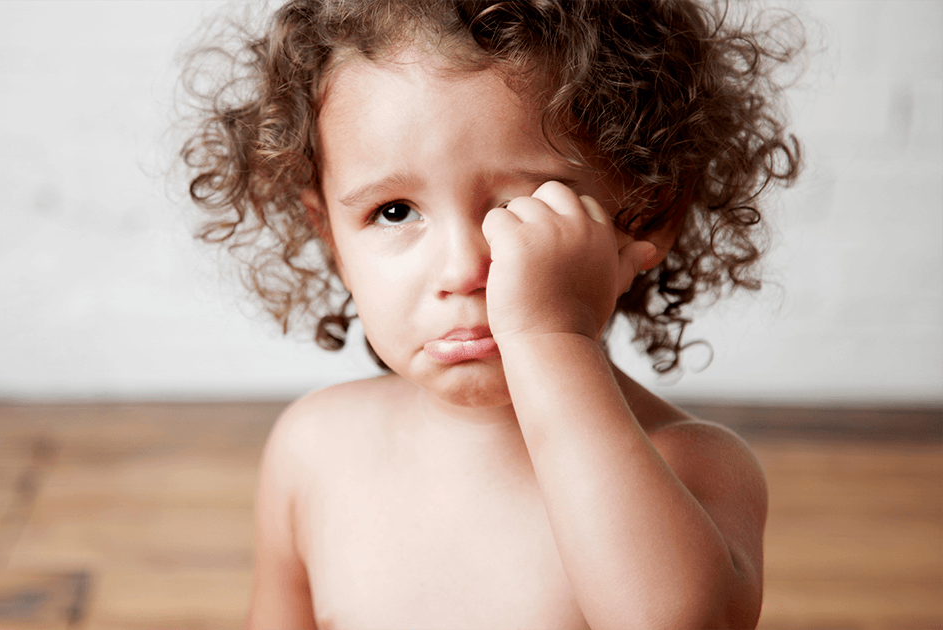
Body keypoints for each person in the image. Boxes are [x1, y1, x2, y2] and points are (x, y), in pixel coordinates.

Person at [178, 1, 802, 627]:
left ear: (647, 212)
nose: (461, 268)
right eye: (394, 211)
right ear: (329, 236)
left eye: (523, 205)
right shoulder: (311, 451)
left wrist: (551, 337)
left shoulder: (693, 465)